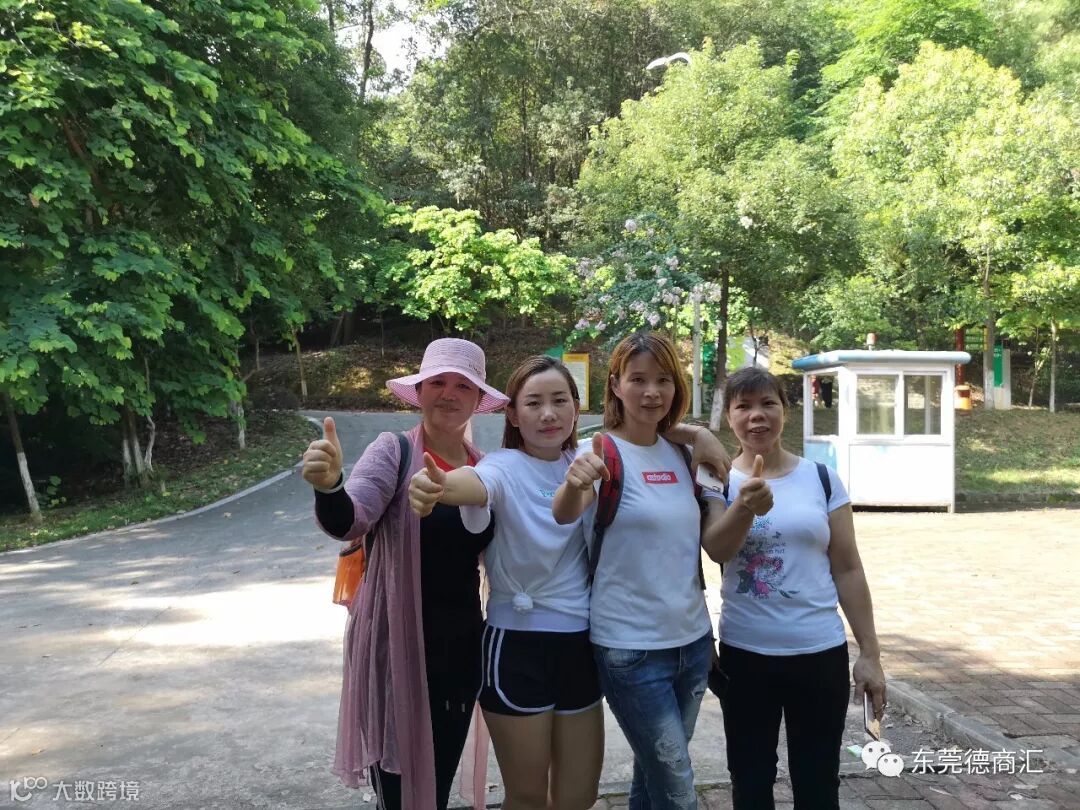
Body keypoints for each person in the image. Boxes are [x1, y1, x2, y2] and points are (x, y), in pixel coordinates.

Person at [408, 354, 731, 810]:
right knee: (527, 797)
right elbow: (473, 483)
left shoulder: (588, 457)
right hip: (516, 646)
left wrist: (697, 433)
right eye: (533, 403)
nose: (548, 414)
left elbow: (642, 426)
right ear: (512, 415)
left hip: (579, 644)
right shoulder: (502, 466)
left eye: (560, 401)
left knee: (578, 797)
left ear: (577, 409)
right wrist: (438, 485)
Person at [301, 338, 509, 810]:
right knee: (396, 796)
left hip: (459, 653)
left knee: (435, 788)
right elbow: (351, 518)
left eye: (463, 385)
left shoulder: (485, 470)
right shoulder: (393, 451)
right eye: (438, 382)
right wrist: (330, 487)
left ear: (478, 398)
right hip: (393, 650)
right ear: (420, 391)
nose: (449, 394)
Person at [552, 332, 733, 810]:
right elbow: (565, 513)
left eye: (663, 380)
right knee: (677, 785)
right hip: (629, 649)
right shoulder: (598, 451)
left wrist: (698, 433)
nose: (652, 392)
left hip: (691, 643)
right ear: (615, 385)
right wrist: (574, 484)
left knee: (653, 779)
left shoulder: (683, 454)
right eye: (638, 380)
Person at [701, 366, 886, 810]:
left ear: (785, 410)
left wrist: (870, 653)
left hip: (818, 654)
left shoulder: (821, 479)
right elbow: (716, 550)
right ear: (729, 416)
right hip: (746, 656)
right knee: (750, 781)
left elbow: (847, 568)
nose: (757, 416)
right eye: (743, 406)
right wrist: (744, 505)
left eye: (768, 403)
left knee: (818, 782)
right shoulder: (718, 482)